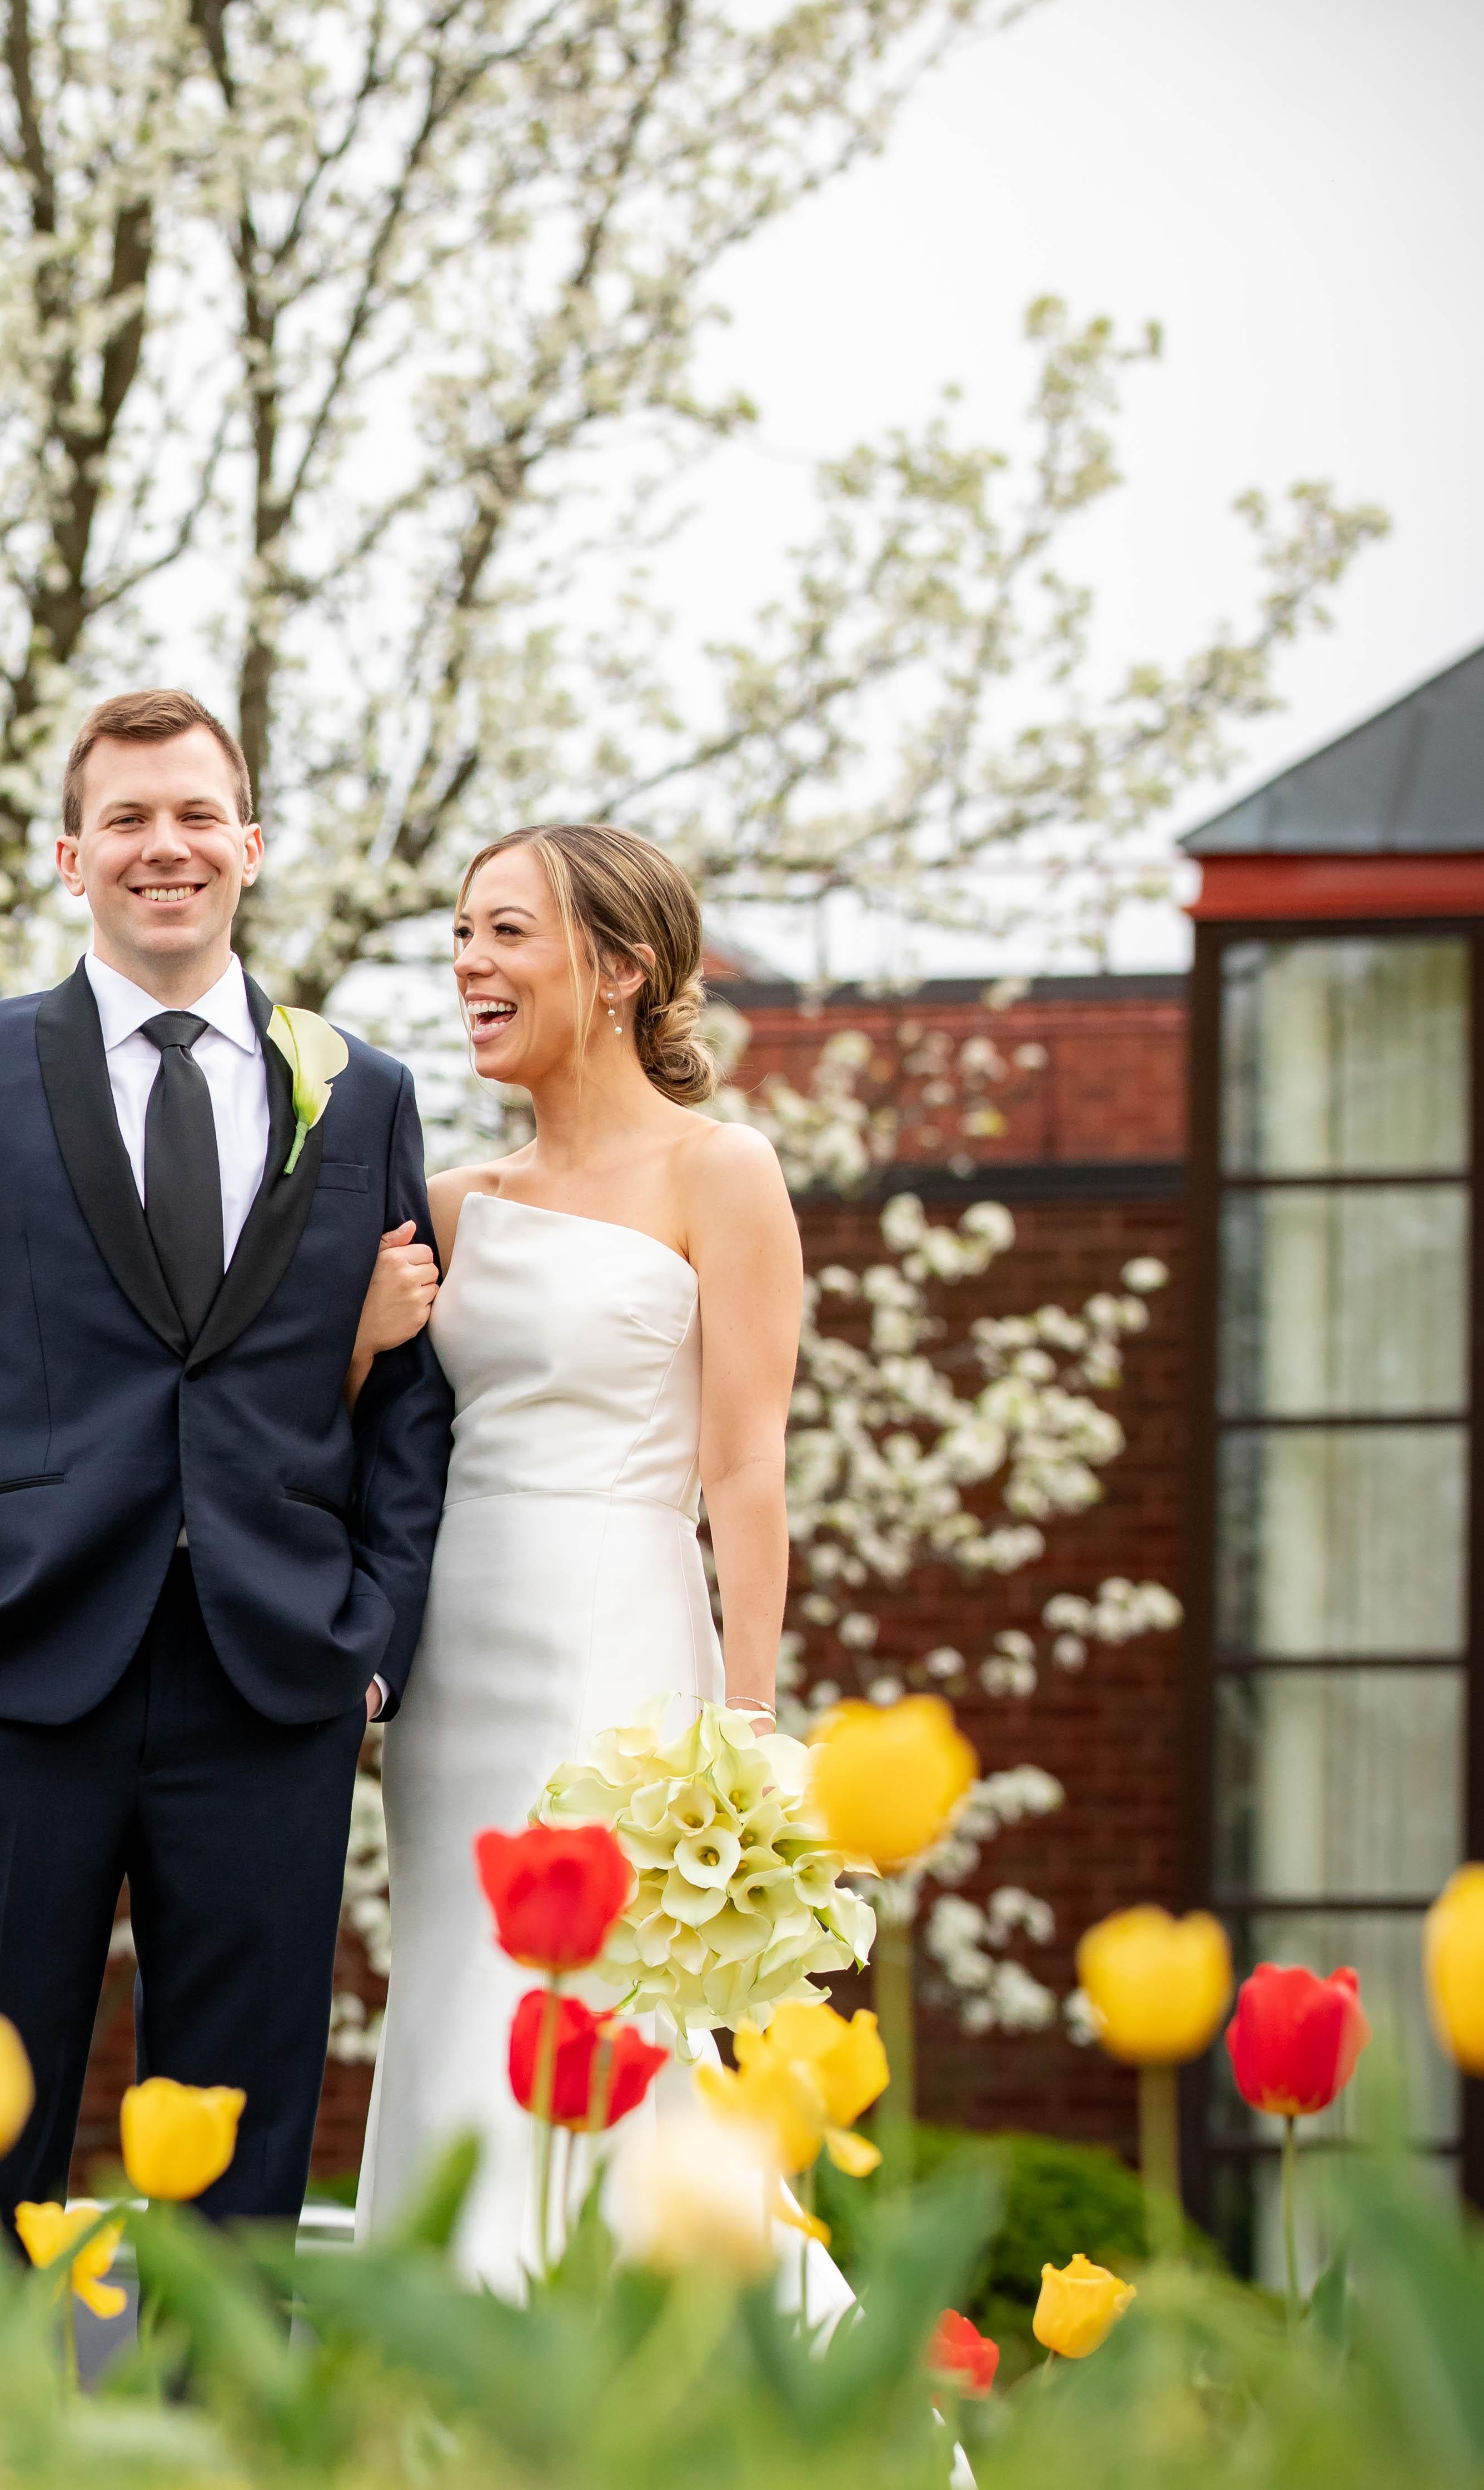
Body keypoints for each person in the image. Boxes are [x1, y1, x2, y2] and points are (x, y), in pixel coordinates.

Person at [0, 689, 454, 2227]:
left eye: (195, 815)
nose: (163, 846)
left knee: (238, 2168)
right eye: (127, 819)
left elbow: (407, 1396)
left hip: (273, 1681)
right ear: (71, 858)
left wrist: (372, 1648)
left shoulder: (361, 1090)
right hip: (7, 1675)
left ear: (251, 845)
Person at [348, 820, 849, 2309]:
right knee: (460, 1989)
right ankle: (449, 2349)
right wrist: (363, 1341)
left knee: (614, 2010)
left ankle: (648, 2350)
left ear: (621, 968)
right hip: (456, 1662)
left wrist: (748, 1725)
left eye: (507, 932)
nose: (469, 963)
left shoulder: (723, 1171)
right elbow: (365, 1443)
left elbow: (745, 1467)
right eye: (461, 933)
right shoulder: (453, 1203)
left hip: (619, 1645)